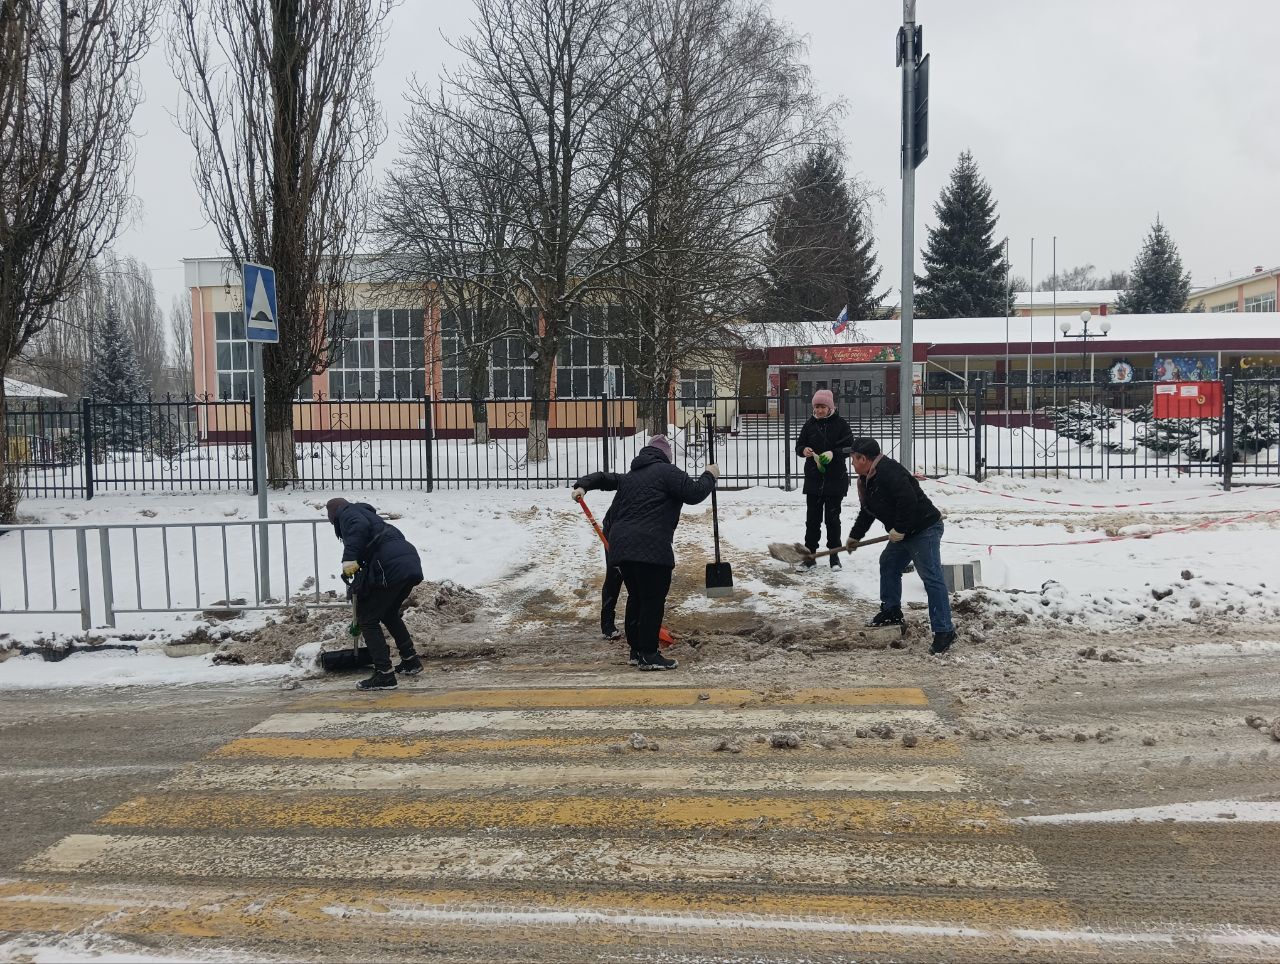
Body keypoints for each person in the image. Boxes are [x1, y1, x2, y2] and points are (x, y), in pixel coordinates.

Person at [573, 435, 717, 670]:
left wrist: (583, 484)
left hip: (621, 548)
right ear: (666, 456)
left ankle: (636, 650)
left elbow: (605, 478)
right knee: (652, 600)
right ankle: (649, 654)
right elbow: (694, 494)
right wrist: (710, 475)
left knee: (636, 598)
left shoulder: (631, 477)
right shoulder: (668, 472)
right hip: (650, 546)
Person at [843, 438, 957, 655]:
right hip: (905, 531)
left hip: (924, 528)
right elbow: (868, 510)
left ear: (863, 459)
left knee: (931, 578)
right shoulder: (868, 477)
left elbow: (908, 500)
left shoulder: (888, 472)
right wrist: (855, 537)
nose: (852, 463)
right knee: (889, 563)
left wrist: (900, 529)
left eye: (853, 458)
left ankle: (944, 630)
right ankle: (891, 611)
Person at [326, 497, 425, 689]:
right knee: (388, 613)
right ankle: (410, 660)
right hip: (408, 562)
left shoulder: (348, 513)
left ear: (334, 513)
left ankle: (384, 674)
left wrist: (349, 560)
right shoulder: (372, 517)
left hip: (391, 565)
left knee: (368, 619)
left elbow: (358, 527)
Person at [794, 389, 854, 571]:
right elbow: (799, 445)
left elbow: (850, 447)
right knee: (812, 520)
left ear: (830, 407)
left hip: (835, 480)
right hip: (813, 480)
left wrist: (833, 453)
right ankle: (809, 557)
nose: (819, 410)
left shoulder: (841, 425)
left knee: (832, 520)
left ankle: (833, 556)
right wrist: (803, 450)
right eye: (817, 407)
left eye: (822, 407)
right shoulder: (809, 425)